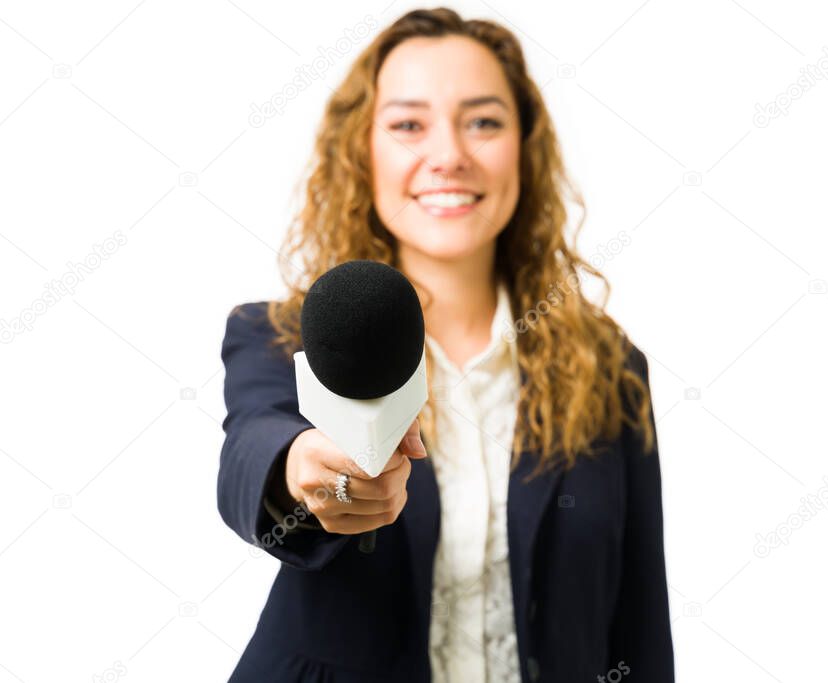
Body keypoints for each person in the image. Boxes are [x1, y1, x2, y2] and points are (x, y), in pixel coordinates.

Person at [217, 7, 673, 682]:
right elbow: (253, 450)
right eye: (407, 124)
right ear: (362, 150)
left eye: (484, 121)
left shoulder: (608, 369)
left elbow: (639, 622)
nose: (450, 154)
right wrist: (303, 476)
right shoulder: (281, 336)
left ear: (525, 146)